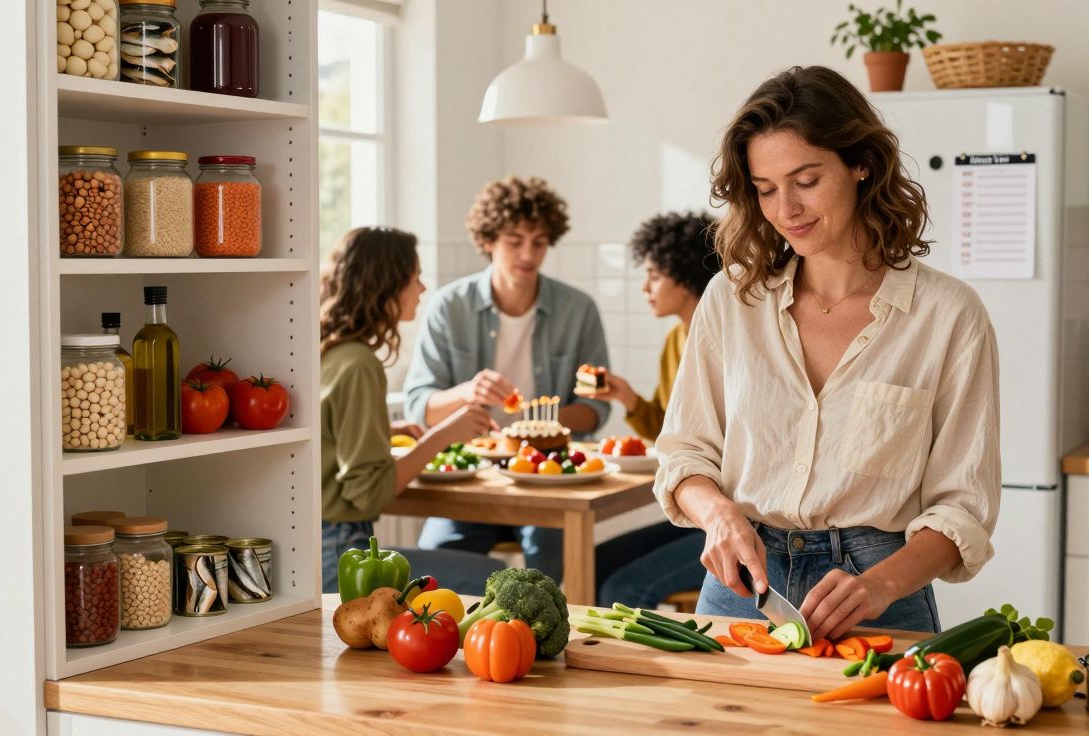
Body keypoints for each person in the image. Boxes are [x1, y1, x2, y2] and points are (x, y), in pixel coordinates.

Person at [654, 66, 1000, 642]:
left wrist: (880, 585)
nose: (786, 209)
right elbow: (684, 453)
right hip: (743, 588)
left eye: (806, 180)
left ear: (861, 164)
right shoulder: (732, 300)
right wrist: (718, 515)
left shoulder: (947, 315)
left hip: (879, 595)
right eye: (766, 189)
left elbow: (962, 506)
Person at [404, 176, 610, 583]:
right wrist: (467, 393)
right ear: (488, 240)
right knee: (431, 571)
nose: (528, 254)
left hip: (546, 479)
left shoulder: (578, 310)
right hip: (470, 478)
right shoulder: (449, 306)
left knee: (546, 577)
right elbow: (418, 405)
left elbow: (595, 408)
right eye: (515, 241)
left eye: (539, 242)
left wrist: (537, 430)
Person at [320, 226, 505, 595]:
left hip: (321, 542)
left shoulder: (329, 350)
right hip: (341, 551)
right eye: (415, 277)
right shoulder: (360, 365)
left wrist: (385, 432)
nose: (422, 288)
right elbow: (369, 494)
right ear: (386, 285)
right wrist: (443, 436)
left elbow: (329, 438)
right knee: (495, 577)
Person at [591, 211, 719, 607]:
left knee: (624, 589)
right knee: (594, 562)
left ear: (683, 277)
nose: (645, 287)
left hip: (723, 515)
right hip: (693, 514)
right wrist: (629, 399)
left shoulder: (723, 340)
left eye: (654, 275)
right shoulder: (674, 341)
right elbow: (673, 432)